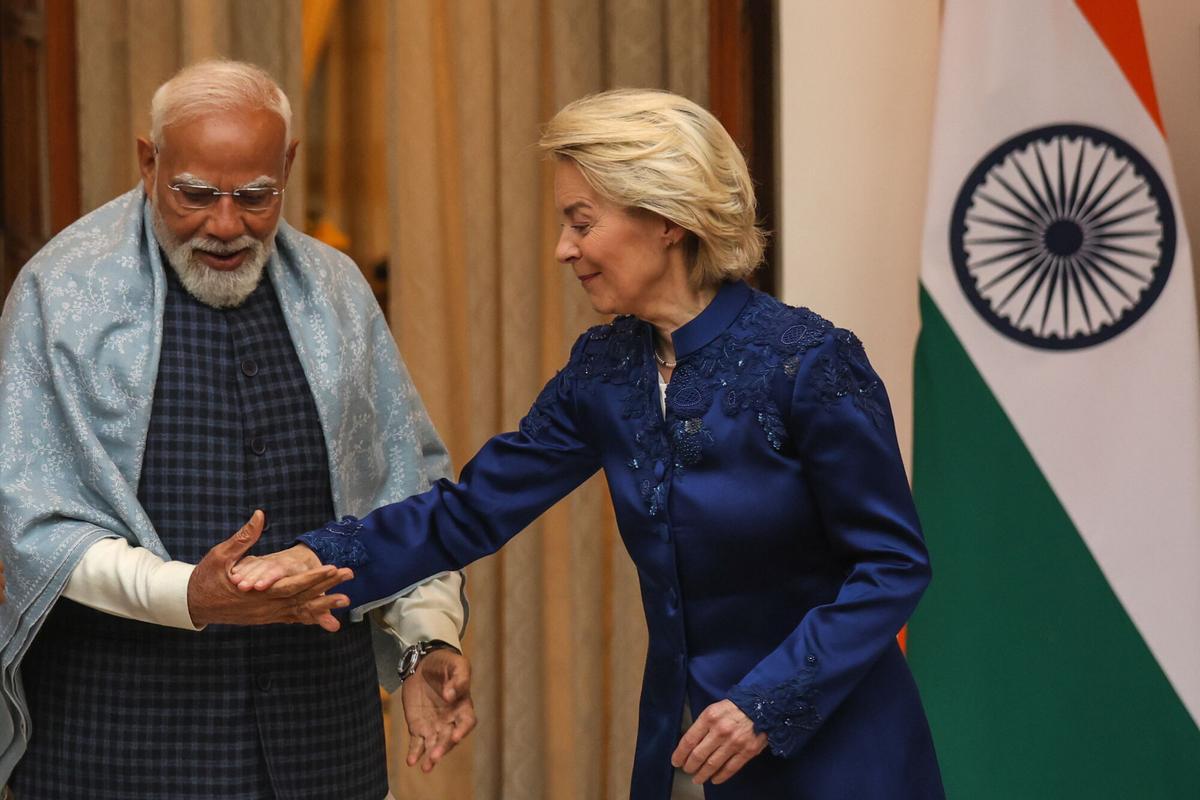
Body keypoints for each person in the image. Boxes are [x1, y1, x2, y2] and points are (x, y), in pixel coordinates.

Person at [237, 89, 945, 799]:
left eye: (581, 222)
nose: (562, 249)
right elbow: (469, 511)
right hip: (684, 751)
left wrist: (765, 704)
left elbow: (892, 565)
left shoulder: (810, 362)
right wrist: (318, 556)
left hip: (841, 752)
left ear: (666, 219)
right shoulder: (605, 371)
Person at [0, 60, 475, 799]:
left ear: (286, 167)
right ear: (148, 162)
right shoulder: (61, 292)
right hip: (114, 740)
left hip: (322, 738)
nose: (225, 226)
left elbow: (406, 492)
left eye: (256, 197)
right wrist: (189, 592)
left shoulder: (337, 292)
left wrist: (424, 640)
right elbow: (31, 521)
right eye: (193, 195)